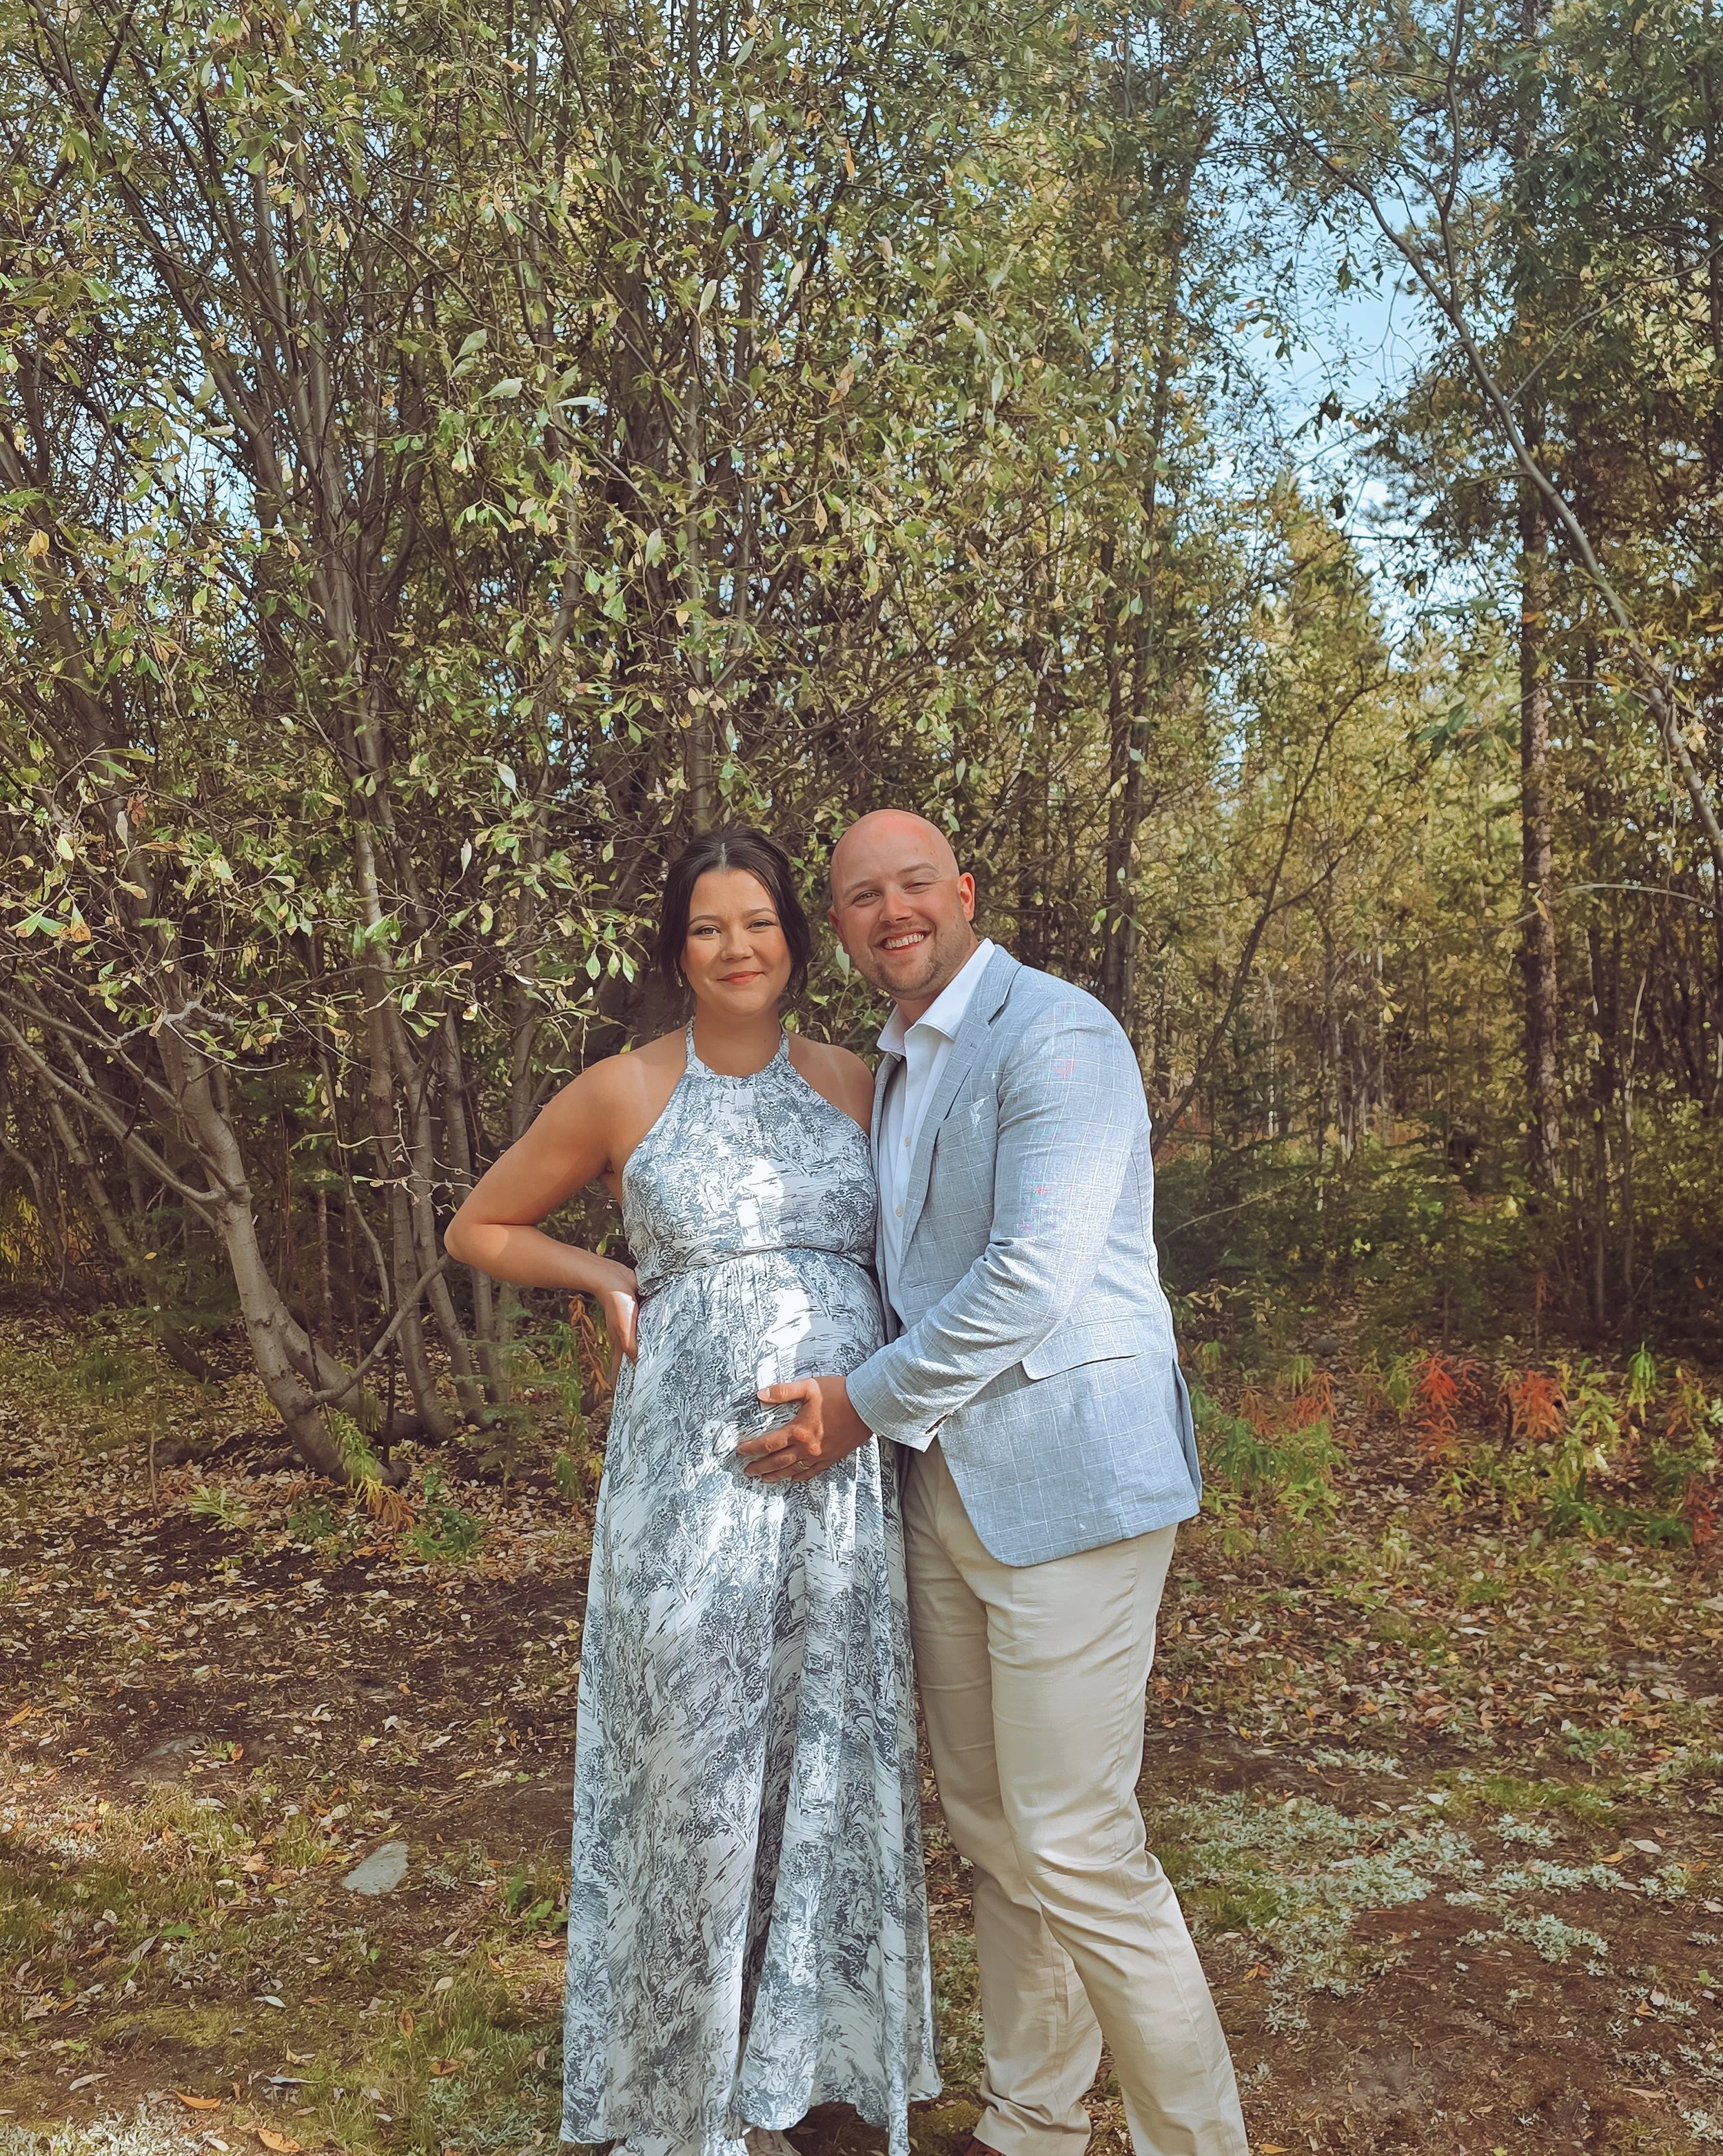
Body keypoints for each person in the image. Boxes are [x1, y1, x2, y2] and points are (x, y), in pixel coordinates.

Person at [742, 811, 1250, 2156]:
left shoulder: (1057, 1035)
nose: (890, 910)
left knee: (1077, 1840)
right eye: (861, 896)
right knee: (990, 1830)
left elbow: (1028, 1277)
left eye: (913, 885)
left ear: (963, 892)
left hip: (1072, 1486)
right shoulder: (899, 1063)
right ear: (840, 929)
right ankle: (1031, 2124)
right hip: (944, 1491)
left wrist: (859, 1404)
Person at [443, 826, 937, 2156]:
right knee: (695, 1773)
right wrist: (603, 1276)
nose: (739, 948)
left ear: (796, 937)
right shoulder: (621, 1091)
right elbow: (480, 1225)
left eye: (762, 922)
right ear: (677, 950)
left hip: (839, 1486)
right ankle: (675, 2092)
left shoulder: (857, 1082)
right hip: (686, 1488)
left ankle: (820, 2078)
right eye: (710, 927)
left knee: (827, 1759)